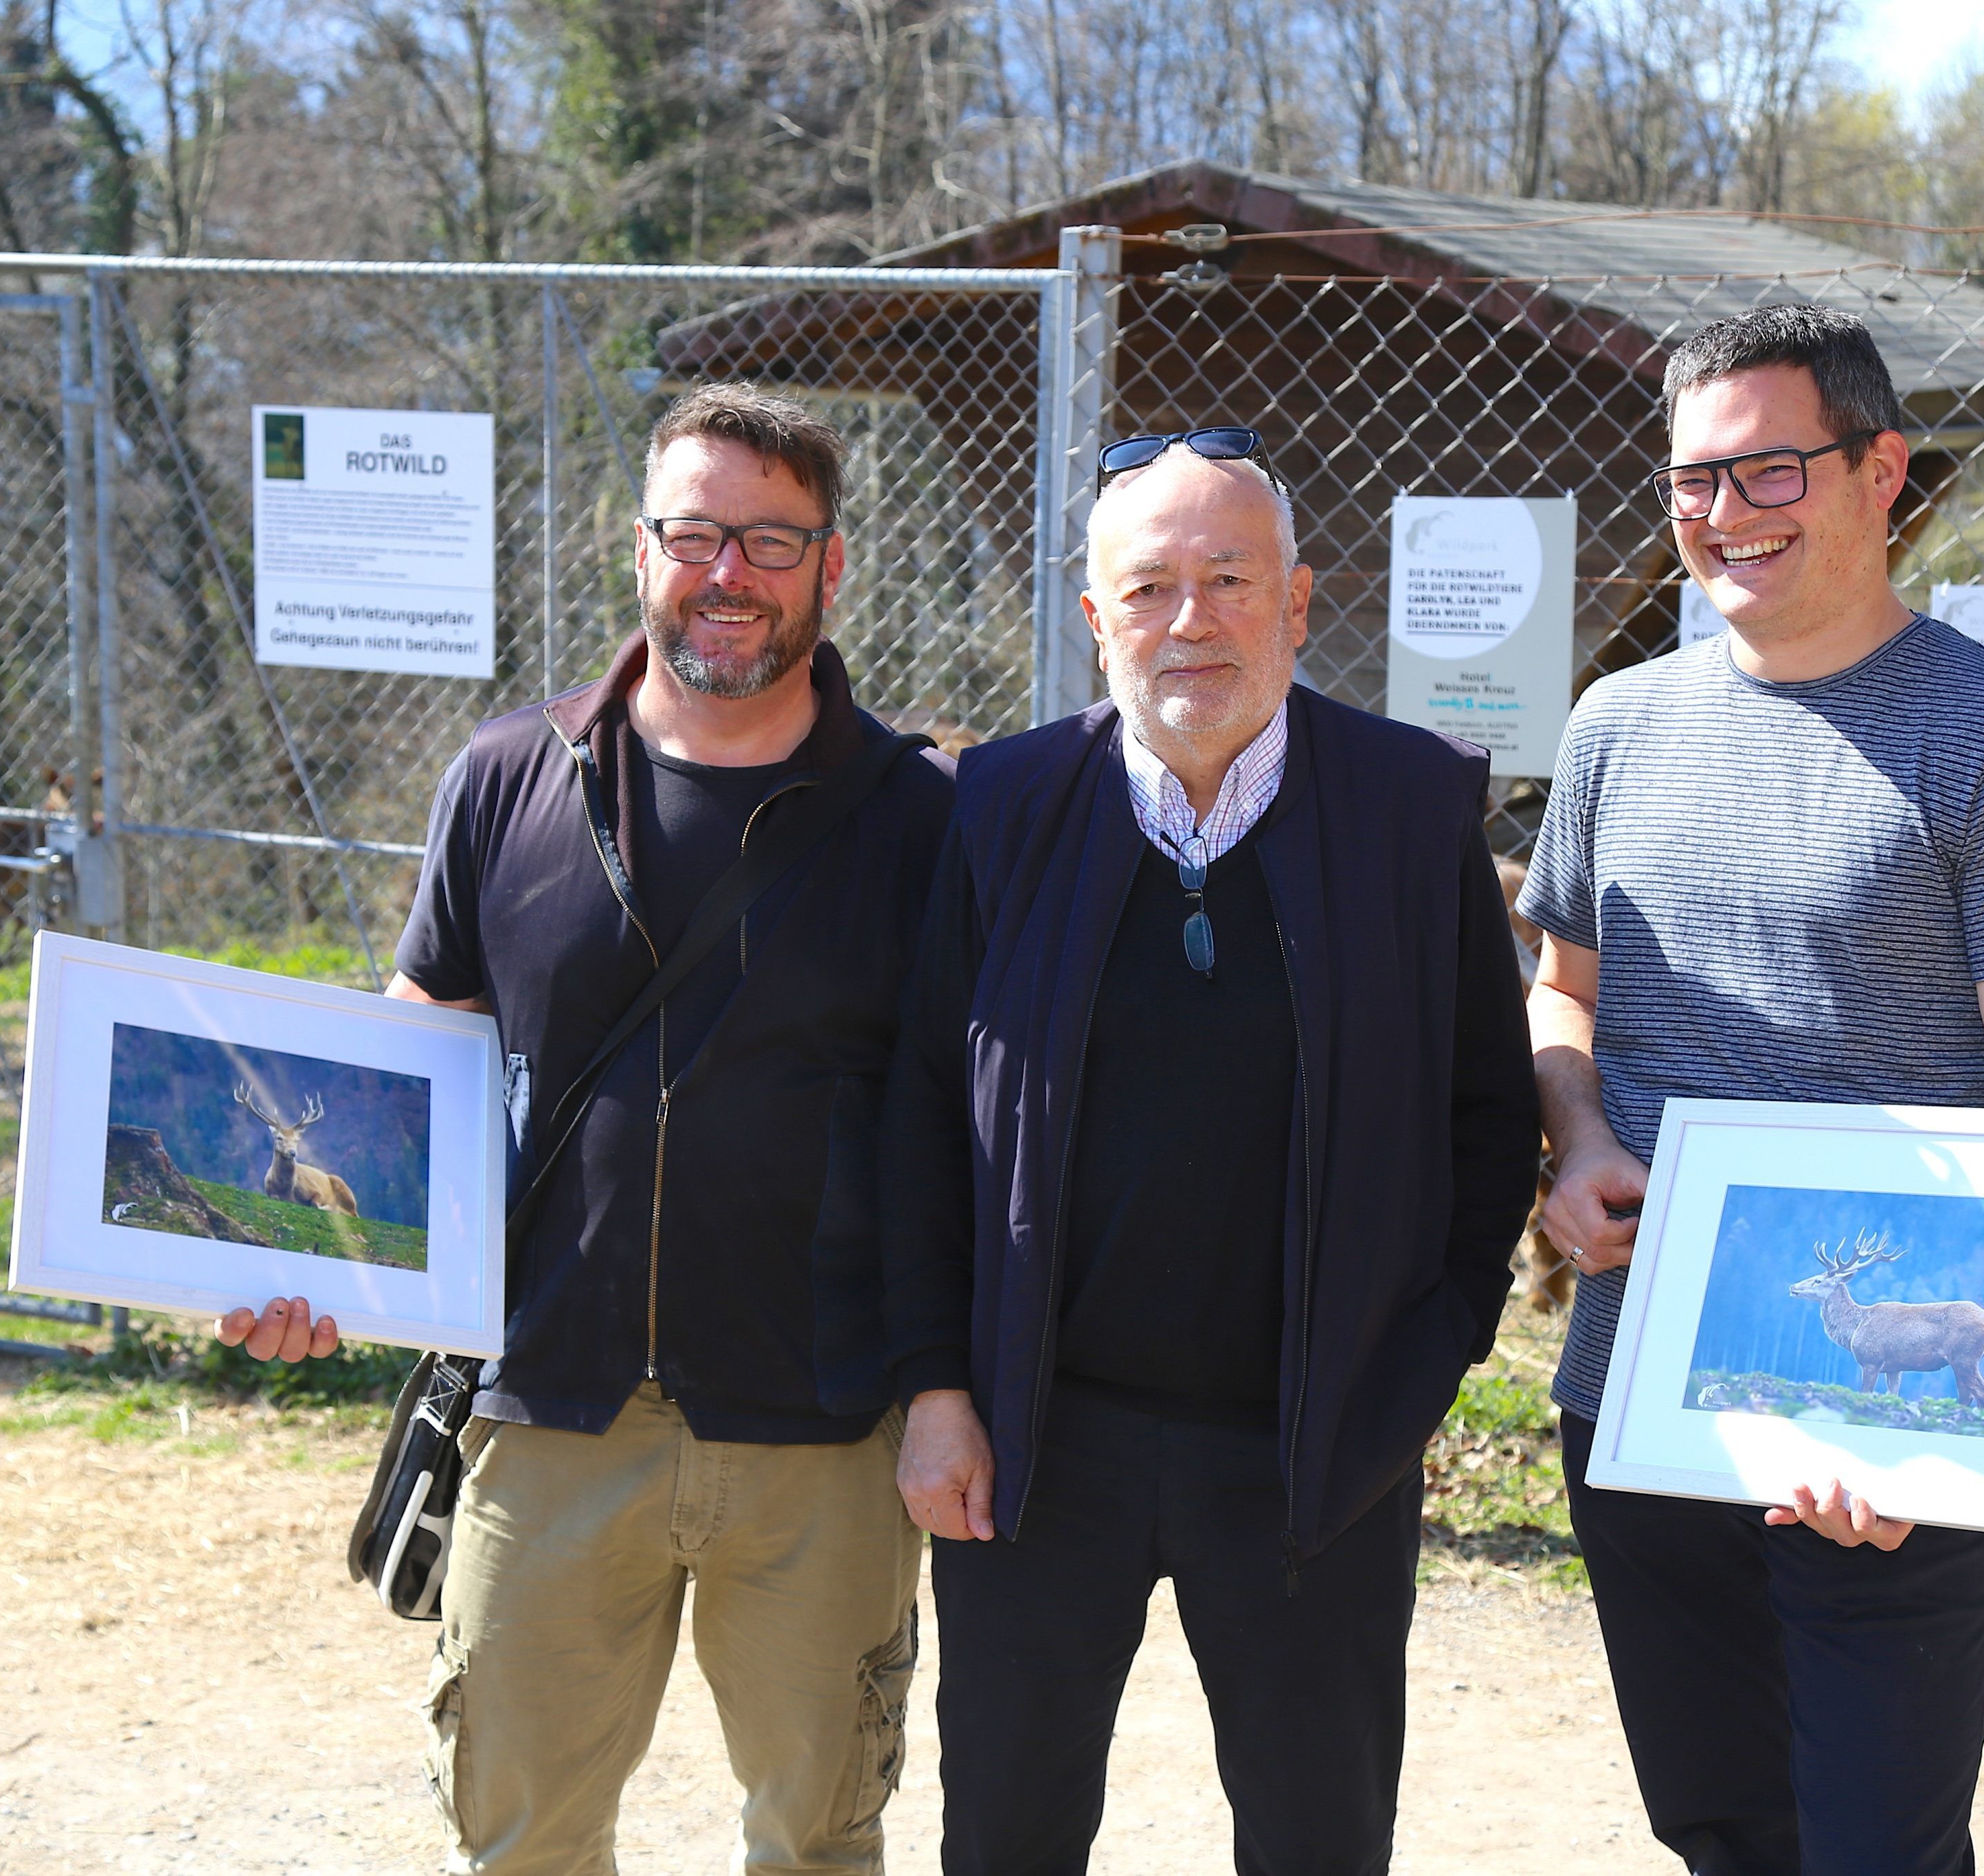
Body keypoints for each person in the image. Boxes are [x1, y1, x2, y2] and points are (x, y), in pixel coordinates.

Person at [215, 384, 954, 1876]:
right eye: (695, 533)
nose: (728, 573)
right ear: (639, 550)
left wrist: (942, 1381)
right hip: (544, 1412)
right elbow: (402, 1070)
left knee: (819, 1842)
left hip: (821, 1430)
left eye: (770, 539)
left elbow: (966, 1124)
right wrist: (302, 1266)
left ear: (833, 566)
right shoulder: (512, 777)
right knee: (521, 1841)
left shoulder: (922, 813)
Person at [881, 429, 1542, 1875]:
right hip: (1036, 1446)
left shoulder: (1411, 808)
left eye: (1230, 579)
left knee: (1318, 1836)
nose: (1192, 620)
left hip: (1314, 1450)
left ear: (1298, 604)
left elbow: (1490, 1115)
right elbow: (925, 1108)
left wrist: (1420, 1364)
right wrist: (936, 1386)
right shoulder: (1001, 807)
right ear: (1093, 617)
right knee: (1007, 1828)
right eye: (1152, 586)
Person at [1518, 304, 1984, 1875]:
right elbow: (1563, 990)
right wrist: (1573, 1138)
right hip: (1638, 1385)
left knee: (1875, 1847)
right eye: (1695, 479)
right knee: (1720, 1826)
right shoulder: (1616, 726)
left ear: (1881, 472)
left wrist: (1952, 1446)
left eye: (1772, 470)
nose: (1727, 513)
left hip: (1890, 1422)